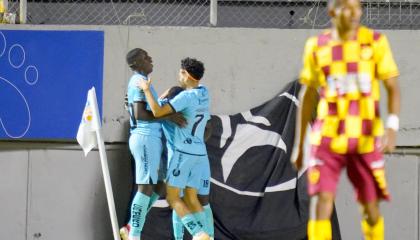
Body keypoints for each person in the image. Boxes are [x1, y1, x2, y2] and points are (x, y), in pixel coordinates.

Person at [291, 0, 400, 239]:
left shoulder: (376, 42)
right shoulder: (317, 45)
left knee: (371, 208)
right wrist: (300, 145)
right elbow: (307, 94)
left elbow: (392, 87)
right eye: (346, 7)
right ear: (332, 11)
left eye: (358, 7)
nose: (354, 12)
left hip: (364, 136)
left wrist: (392, 127)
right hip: (327, 135)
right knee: (321, 200)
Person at [137, 58, 211, 240]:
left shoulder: (184, 98)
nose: (178, 75)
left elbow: (155, 111)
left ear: (186, 74)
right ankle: (208, 236)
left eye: (180, 72)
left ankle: (198, 233)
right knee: (193, 199)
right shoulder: (204, 92)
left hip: (182, 154)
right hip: (200, 154)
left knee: (172, 198)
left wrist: (146, 90)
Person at [121, 48, 185, 240]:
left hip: (150, 139)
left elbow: (145, 107)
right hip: (145, 137)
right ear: (136, 64)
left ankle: (131, 226)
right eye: (145, 57)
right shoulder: (138, 81)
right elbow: (140, 114)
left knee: (159, 186)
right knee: (145, 187)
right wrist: (167, 115)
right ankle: (134, 235)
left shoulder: (142, 82)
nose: (150, 59)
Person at [160, 86, 214, 240]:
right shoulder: (193, 104)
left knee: (182, 200)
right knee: (197, 200)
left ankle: (204, 236)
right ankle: (206, 236)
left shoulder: (164, 109)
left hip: (181, 159)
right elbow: (209, 126)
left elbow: (149, 110)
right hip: (194, 157)